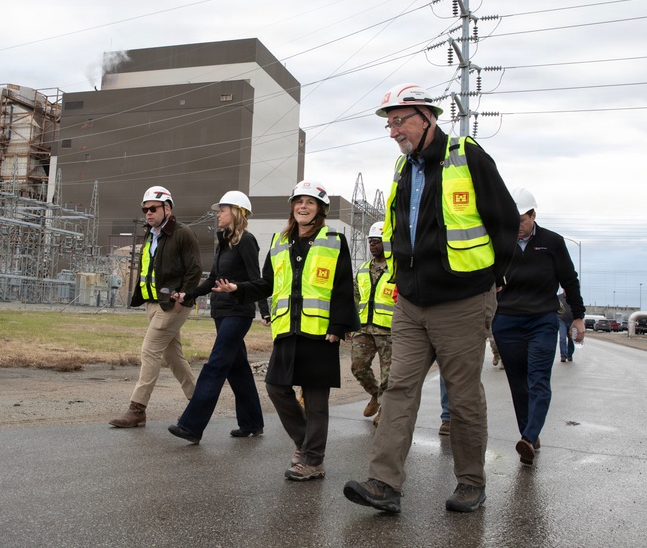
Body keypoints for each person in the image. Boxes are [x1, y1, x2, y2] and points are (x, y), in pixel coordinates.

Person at [343, 83, 517, 514]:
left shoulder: (466, 155)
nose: (392, 132)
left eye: (399, 121)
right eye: (388, 124)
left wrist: (495, 277)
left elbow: (504, 220)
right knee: (399, 387)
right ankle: (384, 483)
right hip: (410, 302)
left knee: (462, 394)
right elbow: (398, 230)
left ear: (427, 118)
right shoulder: (403, 167)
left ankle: (471, 482)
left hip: (462, 299)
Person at [213, 180, 359, 482]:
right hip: (287, 329)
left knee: (316, 400)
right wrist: (239, 288)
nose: (303, 207)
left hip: (320, 331)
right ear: (292, 207)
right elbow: (267, 283)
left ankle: (313, 461)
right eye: (298, 202)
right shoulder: (280, 241)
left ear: (320, 209)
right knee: (275, 388)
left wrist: (338, 326)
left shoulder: (334, 240)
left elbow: (343, 285)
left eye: (310, 202)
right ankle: (306, 444)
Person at [493, 187, 586, 466]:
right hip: (507, 322)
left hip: (541, 321)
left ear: (533, 215)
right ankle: (529, 435)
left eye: (521, 220)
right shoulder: (500, 242)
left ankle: (529, 437)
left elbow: (569, 280)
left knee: (538, 380)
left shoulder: (552, 242)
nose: (517, 226)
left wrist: (578, 317)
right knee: (518, 383)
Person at [167, 191, 268, 443]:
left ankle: (191, 426)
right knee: (238, 369)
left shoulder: (247, 241)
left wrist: (259, 306)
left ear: (237, 212)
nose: (218, 215)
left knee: (215, 365)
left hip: (238, 312)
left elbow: (256, 281)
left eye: (222, 210)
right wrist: (188, 294)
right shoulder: (223, 242)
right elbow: (213, 279)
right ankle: (252, 422)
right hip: (221, 312)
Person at [109, 186, 202, 429]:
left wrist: (184, 297)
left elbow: (194, 270)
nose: (148, 213)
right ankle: (199, 403)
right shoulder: (150, 235)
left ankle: (137, 409)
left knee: (149, 351)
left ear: (167, 208)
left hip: (173, 305)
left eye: (153, 208)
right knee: (173, 356)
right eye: (145, 209)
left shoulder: (183, 234)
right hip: (153, 303)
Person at [350, 221, 394, 427]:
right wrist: (350, 323)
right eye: (370, 241)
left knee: (389, 374)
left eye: (377, 241)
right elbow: (355, 296)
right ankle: (375, 395)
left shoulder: (397, 269)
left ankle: (385, 408)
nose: (372, 245)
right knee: (358, 367)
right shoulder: (362, 269)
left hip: (389, 330)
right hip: (363, 328)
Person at [557, 290, 576, 362]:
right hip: (561, 320)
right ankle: (563, 356)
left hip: (571, 321)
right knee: (562, 337)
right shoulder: (558, 297)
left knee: (571, 338)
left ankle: (569, 354)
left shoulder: (573, 297)